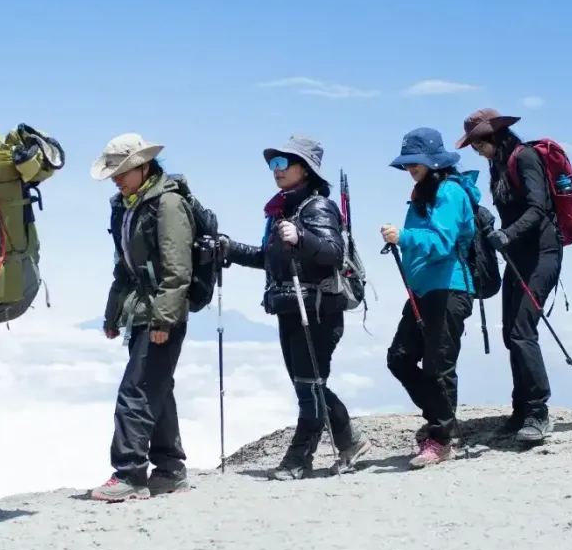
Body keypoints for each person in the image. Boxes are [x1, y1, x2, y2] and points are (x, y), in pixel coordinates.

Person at [218, 135, 373, 480]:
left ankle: (299, 460)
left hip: (316, 310)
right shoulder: (283, 210)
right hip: (292, 307)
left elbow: (332, 251)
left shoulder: (317, 207)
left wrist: (301, 239)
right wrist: (229, 249)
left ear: (305, 169)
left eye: (282, 163)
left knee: (308, 385)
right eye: (273, 164)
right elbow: (268, 259)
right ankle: (350, 441)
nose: (275, 170)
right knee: (310, 384)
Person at [91, 133, 194, 501]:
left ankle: (130, 474)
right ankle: (169, 470)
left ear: (144, 166)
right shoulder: (129, 205)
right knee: (157, 387)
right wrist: (112, 313)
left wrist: (165, 320)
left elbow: (178, 269)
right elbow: (125, 267)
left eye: (121, 171)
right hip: (140, 308)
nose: (116, 178)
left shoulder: (167, 205)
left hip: (162, 312)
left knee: (136, 390)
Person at [455, 108, 562, 443]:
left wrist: (508, 233)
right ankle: (520, 411)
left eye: (478, 143)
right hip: (519, 255)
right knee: (510, 334)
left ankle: (537, 413)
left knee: (521, 330)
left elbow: (539, 208)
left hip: (542, 254)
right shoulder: (498, 163)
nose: (476, 150)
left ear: (494, 135)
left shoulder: (525, 157)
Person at [380, 127, 480, 469]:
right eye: (407, 163)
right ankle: (442, 421)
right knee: (400, 358)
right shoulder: (424, 191)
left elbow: (442, 242)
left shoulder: (450, 192)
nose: (410, 168)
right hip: (425, 290)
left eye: (415, 162)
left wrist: (403, 236)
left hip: (450, 287)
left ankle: (440, 438)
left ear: (433, 160)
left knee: (438, 366)